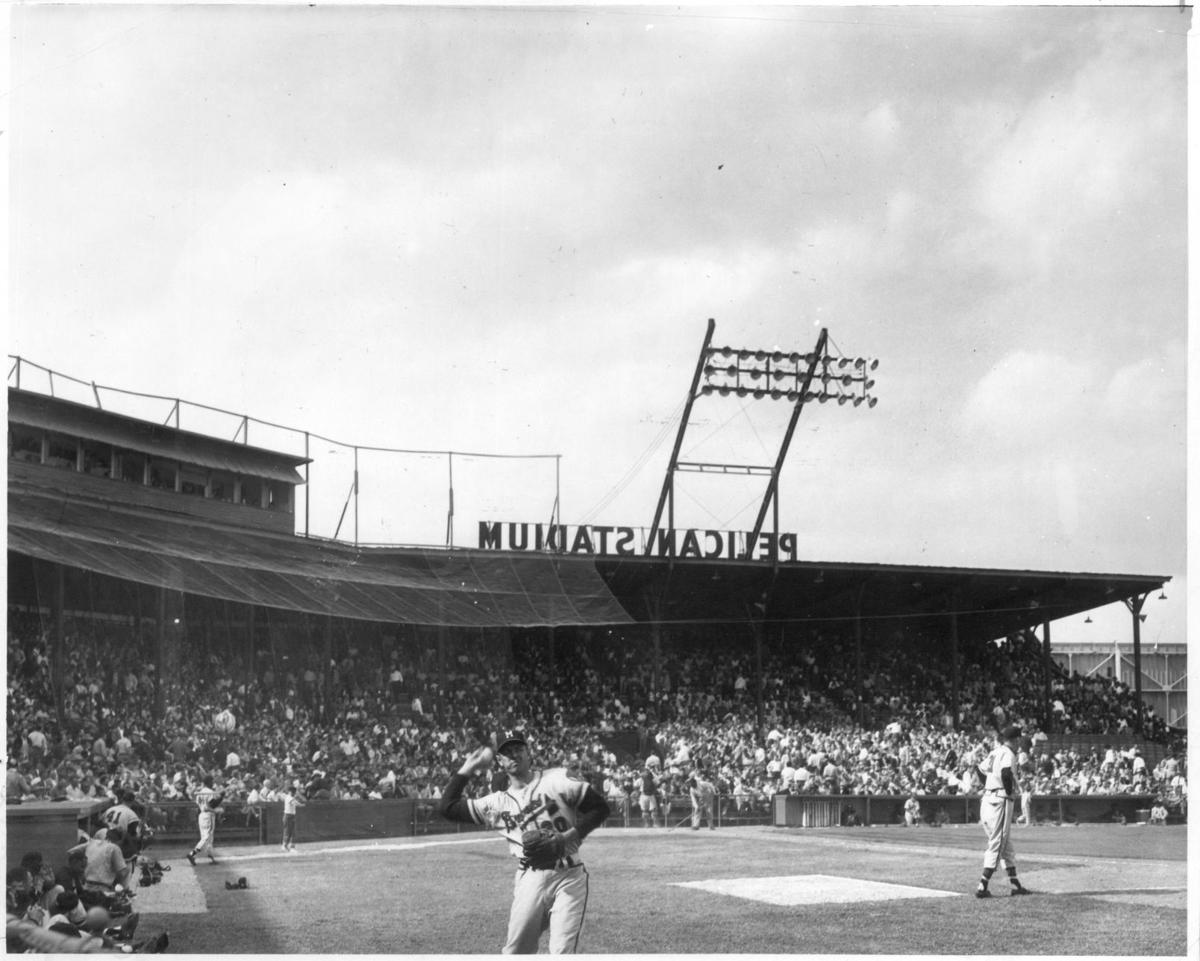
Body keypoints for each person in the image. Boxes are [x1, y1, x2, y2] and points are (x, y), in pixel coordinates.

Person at [436, 732, 610, 954]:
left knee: (562, 952)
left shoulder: (556, 779)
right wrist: (467, 768)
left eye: (518, 749)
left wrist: (567, 837)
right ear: (500, 761)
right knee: (516, 952)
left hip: (569, 876)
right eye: (507, 752)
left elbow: (600, 808)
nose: (514, 755)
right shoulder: (497, 803)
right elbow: (447, 807)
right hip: (530, 879)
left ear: (529, 752)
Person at [974, 725, 1031, 898]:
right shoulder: (1009, 754)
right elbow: (1006, 773)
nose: (1020, 741)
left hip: (987, 800)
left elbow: (979, 769)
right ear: (1016, 739)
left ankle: (1015, 884)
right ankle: (982, 885)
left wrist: (989, 785)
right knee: (997, 843)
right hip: (1000, 801)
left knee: (1005, 844)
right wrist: (1007, 791)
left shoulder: (995, 752)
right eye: (1019, 739)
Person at [67, 828, 133, 894]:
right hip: (103, 890)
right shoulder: (114, 848)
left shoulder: (92, 843)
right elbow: (122, 874)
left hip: (86, 886)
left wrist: (83, 869)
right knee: (127, 869)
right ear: (120, 841)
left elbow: (71, 852)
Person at [185, 774, 224, 866]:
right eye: (212, 781)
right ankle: (192, 854)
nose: (213, 783)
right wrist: (221, 797)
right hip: (208, 816)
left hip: (202, 815)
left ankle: (211, 858)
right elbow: (212, 804)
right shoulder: (209, 791)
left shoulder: (201, 791)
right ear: (209, 782)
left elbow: (201, 804)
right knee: (206, 838)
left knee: (209, 838)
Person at [281, 781, 306, 852]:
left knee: (291, 832)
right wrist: (301, 805)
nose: (294, 793)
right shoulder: (289, 797)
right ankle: (287, 846)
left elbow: (295, 802)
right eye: (293, 792)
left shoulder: (290, 797)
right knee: (288, 831)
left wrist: (300, 803)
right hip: (288, 816)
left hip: (291, 816)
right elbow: (295, 803)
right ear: (290, 792)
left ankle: (288, 846)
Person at [638, 764, 661, 829]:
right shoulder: (643, 777)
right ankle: (650, 824)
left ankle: (650, 824)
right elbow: (658, 783)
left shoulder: (646, 776)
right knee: (647, 811)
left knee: (651, 810)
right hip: (646, 795)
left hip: (647, 795)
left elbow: (635, 785)